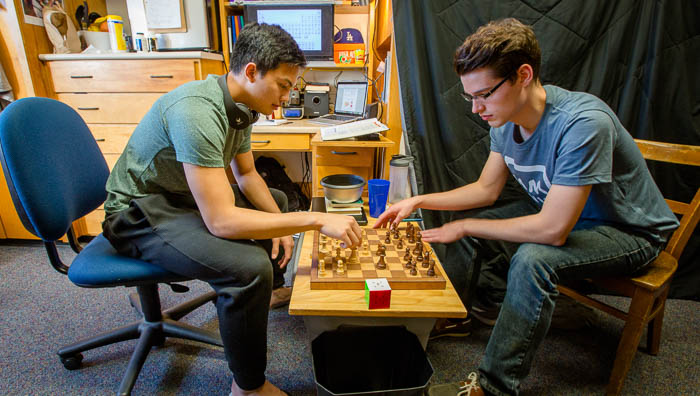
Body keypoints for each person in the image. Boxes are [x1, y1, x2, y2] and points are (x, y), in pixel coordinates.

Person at [374, 18, 679, 396]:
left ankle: (494, 387)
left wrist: (466, 227)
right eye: (470, 97)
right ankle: (453, 316)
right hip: (569, 220)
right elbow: (486, 190)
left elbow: (552, 231)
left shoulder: (583, 123)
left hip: (629, 233)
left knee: (533, 258)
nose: (476, 108)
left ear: (523, 74)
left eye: (484, 94)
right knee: (471, 223)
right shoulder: (504, 120)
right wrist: (417, 200)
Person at [102, 23, 362, 396]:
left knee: (279, 202)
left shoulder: (238, 106)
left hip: (181, 198)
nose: (287, 98)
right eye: (284, 86)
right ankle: (248, 388)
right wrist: (316, 219)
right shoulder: (196, 112)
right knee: (248, 268)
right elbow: (221, 221)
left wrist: (282, 225)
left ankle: (266, 294)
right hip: (138, 213)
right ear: (253, 71)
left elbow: (248, 175)